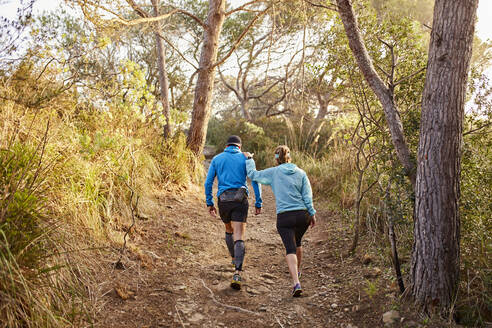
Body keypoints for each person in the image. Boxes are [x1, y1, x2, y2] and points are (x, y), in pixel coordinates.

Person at [243, 145, 316, 297]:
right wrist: (312, 213)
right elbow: (307, 195)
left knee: (290, 248)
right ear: (290, 156)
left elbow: (254, 175)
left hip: (285, 216)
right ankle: (297, 271)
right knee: (298, 242)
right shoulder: (301, 173)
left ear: (276, 158)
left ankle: (296, 282)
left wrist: (250, 159)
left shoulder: (273, 172)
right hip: (303, 215)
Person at [204, 135, 262, 290]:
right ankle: (237, 272)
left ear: (226, 145)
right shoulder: (246, 159)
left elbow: (208, 182)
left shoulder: (217, 159)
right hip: (240, 199)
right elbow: (254, 180)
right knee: (239, 235)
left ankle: (233, 257)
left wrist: (209, 202)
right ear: (239, 147)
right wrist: (258, 202)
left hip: (223, 201)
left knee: (228, 230)